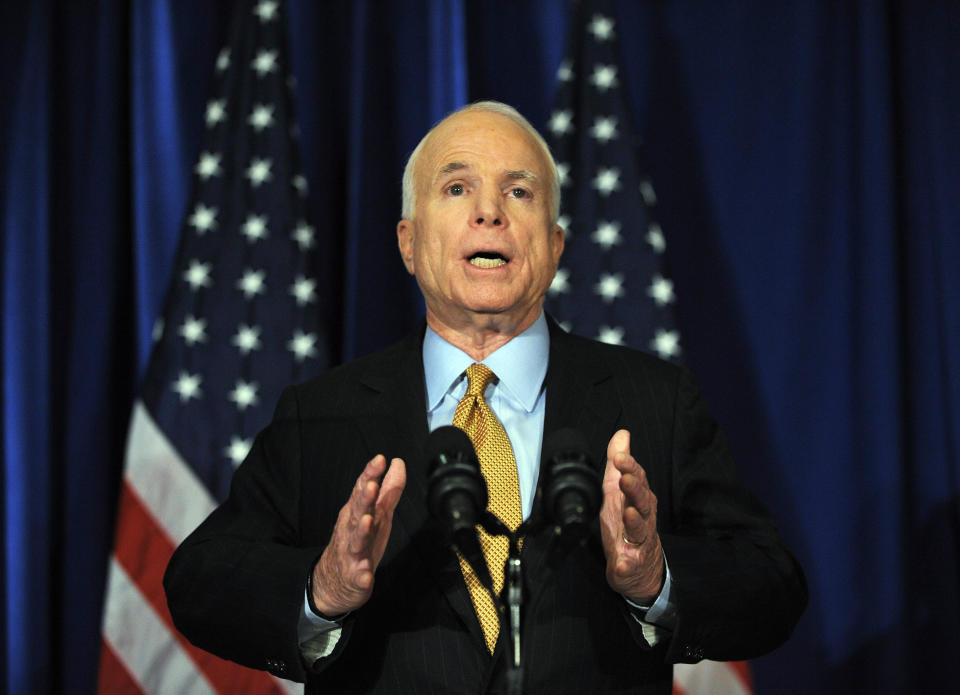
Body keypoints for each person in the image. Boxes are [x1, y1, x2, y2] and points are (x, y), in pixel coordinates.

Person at [164, 101, 807, 694]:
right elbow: (200, 582)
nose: (489, 212)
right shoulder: (321, 416)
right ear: (408, 243)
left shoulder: (656, 402)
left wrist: (654, 581)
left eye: (519, 192)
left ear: (554, 247)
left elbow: (771, 584)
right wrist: (322, 589)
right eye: (456, 187)